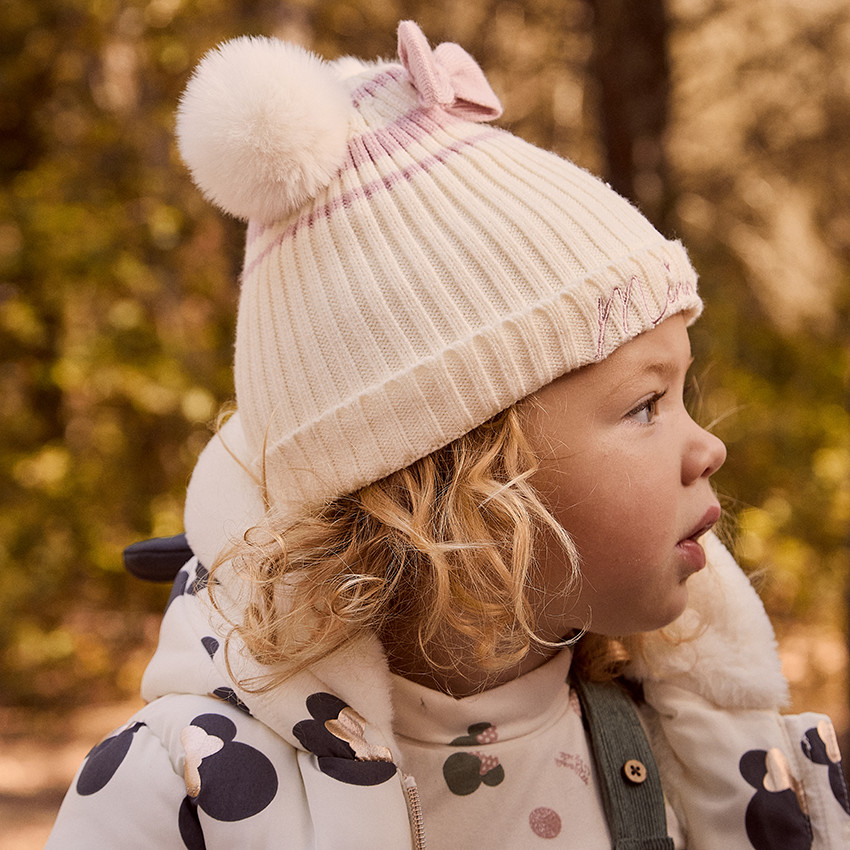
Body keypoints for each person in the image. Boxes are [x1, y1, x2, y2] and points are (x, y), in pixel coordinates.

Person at [46, 20, 849, 849]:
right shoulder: (193, 791)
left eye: (684, 393)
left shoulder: (695, 750)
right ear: (456, 483)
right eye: (646, 404)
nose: (708, 447)